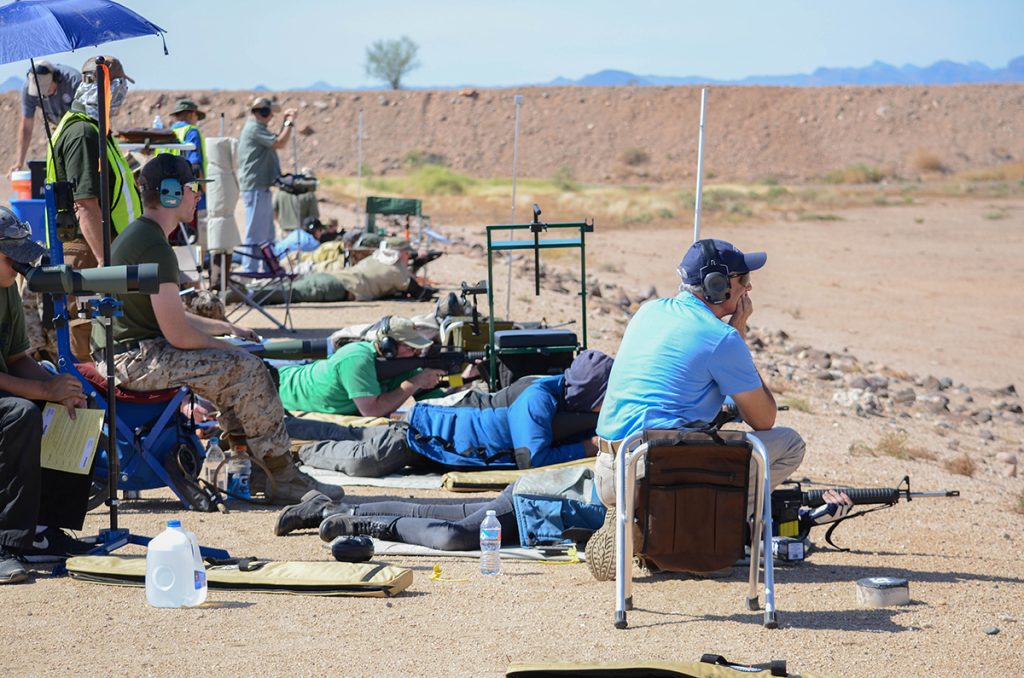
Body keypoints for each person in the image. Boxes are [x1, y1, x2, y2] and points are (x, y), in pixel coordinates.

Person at [93, 154, 341, 504]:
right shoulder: (153, 245)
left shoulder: (144, 236)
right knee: (248, 370)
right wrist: (232, 350)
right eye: (192, 189)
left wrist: (224, 329)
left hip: (128, 353)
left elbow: (168, 314)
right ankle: (280, 473)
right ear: (169, 194)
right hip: (132, 359)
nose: (197, 197)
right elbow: (178, 335)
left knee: (237, 369)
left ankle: (256, 464)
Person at [593, 239, 806, 513]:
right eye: (743, 278)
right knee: (789, 443)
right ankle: (716, 532)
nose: (749, 287)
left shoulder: (647, 311)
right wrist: (738, 330)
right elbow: (763, 419)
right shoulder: (722, 338)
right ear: (718, 285)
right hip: (654, 475)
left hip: (609, 472)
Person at [288, 349, 613, 478]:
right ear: (588, 393)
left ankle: (295, 439)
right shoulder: (538, 398)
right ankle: (299, 451)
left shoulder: (561, 392)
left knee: (354, 439)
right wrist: (588, 446)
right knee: (362, 460)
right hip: (427, 436)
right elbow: (532, 460)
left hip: (443, 448)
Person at [0, 208, 93, 584]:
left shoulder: (6, 289)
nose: (21, 265)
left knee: (75, 405)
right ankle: (5, 543)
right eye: (13, 255)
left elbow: (16, 357)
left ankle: (44, 530)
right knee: (20, 414)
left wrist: (60, 390)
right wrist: (43, 389)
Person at [44, 55, 142, 361]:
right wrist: (106, 263)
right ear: (106, 88)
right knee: (87, 347)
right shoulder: (83, 134)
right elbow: (85, 204)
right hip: (86, 251)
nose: (123, 95)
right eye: (119, 87)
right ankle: (91, 408)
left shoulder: (92, 129)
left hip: (93, 248)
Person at [277, 465, 606, 550]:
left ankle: (328, 510)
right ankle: (357, 525)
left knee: (434, 512)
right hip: (537, 504)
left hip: (541, 496)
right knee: (455, 536)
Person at [277, 315, 444, 418]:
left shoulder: (403, 364)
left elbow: (437, 400)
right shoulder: (357, 358)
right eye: (411, 347)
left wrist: (465, 377)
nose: (417, 353)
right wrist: (413, 384)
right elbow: (371, 411)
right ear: (389, 346)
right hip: (279, 390)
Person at [237, 96, 296, 272]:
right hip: (255, 187)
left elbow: (276, 139)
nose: (271, 117)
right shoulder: (254, 128)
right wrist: (289, 124)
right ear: (262, 112)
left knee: (267, 234)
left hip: (261, 187)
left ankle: (269, 267)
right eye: (269, 112)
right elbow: (279, 142)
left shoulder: (258, 128)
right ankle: (250, 270)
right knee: (255, 233)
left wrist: (286, 123)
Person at [9, 60, 82, 176]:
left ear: (56, 78)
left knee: (76, 159)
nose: (43, 95)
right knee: (55, 162)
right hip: (55, 123)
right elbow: (26, 127)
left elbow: (88, 117)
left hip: (77, 123)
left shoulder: (74, 81)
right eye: (39, 93)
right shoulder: (28, 89)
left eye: (46, 90)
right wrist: (19, 162)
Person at [158, 98, 209, 238]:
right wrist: (203, 189)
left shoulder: (166, 134)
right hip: (190, 190)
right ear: (192, 114)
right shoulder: (192, 131)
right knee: (195, 232)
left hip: (169, 190)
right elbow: (195, 164)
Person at [273, 167, 319, 233]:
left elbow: (274, 211)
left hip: (283, 231)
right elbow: (314, 217)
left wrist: (280, 225)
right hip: (301, 233)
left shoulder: (280, 192)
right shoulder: (310, 194)